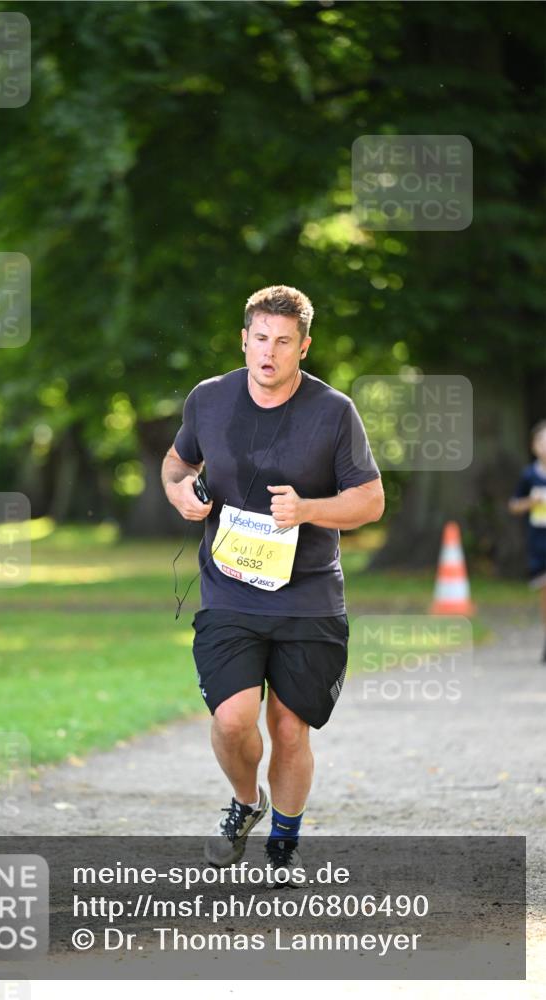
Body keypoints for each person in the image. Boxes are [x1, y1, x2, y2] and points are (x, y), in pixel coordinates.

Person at [161, 285, 384, 876]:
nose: (269, 351)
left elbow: (370, 501)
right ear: (244, 339)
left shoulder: (333, 411)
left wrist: (308, 509)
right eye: (260, 338)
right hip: (229, 589)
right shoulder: (210, 399)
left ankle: (284, 840)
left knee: (289, 729)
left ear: (303, 347)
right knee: (232, 718)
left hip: (308, 596)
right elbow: (178, 461)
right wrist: (180, 492)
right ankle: (246, 801)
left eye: (284, 342)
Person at [509, 419, 546, 663]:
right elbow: (513, 505)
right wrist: (531, 502)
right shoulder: (529, 475)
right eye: (542, 441)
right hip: (539, 543)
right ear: (533, 446)